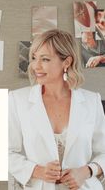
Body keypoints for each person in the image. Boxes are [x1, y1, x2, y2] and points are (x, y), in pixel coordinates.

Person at [9, 29, 105, 190]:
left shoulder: (91, 101)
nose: (35, 66)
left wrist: (86, 171)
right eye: (34, 58)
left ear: (66, 62)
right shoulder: (17, 100)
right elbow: (6, 152)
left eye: (45, 59)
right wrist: (36, 171)